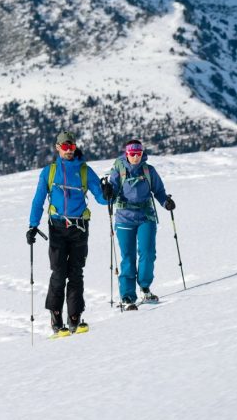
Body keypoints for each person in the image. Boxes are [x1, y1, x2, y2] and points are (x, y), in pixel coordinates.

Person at [26, 130, 108, 335]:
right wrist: (32, 225)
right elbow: (38, 199)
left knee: (76, 273)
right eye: (65, 147)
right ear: (58, 148)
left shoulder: (84, 171)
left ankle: (74, 317)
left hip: (80, 227)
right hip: (57, 227)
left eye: (71, 147)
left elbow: (102, 198)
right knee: (59, 272)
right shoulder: (49, 172)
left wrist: (108, 193)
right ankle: (55, 316)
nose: (69, 151)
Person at [101, 138, 175, 307]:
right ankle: (127, 295)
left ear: (142, 154)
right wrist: (107, 192)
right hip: (124, 217)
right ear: (127, 154)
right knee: (128, 257)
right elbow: (110, 190)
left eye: (138, 153)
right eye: (132, 154)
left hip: (145, 217)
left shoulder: (149, 171)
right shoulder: (118, 169)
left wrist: (166, 203)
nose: (135, 157)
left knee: (148, 253)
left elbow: (159, 192)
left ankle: (145, 287)